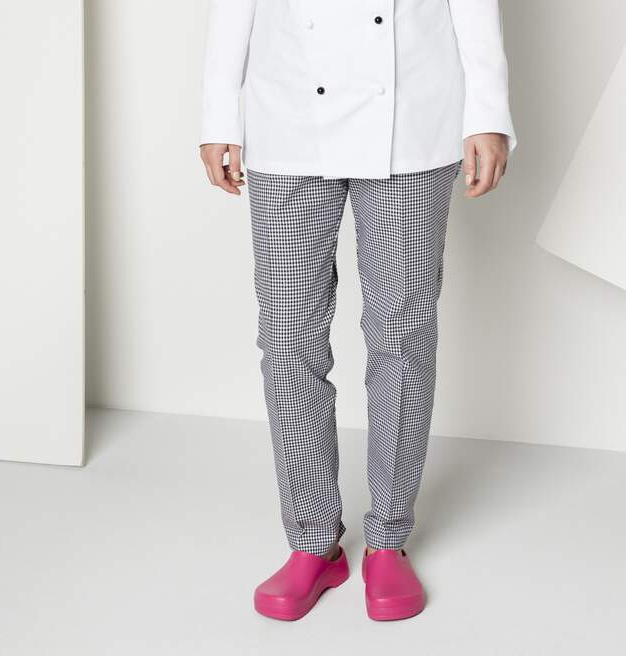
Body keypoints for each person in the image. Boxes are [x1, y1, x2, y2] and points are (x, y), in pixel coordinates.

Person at [200, 0, 516, 622]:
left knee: (402, 336)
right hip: (287, 116)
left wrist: (488, 112)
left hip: (414, 120)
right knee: (288, 338)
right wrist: (217, 116)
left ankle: (388, 540)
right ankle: (312, 542)